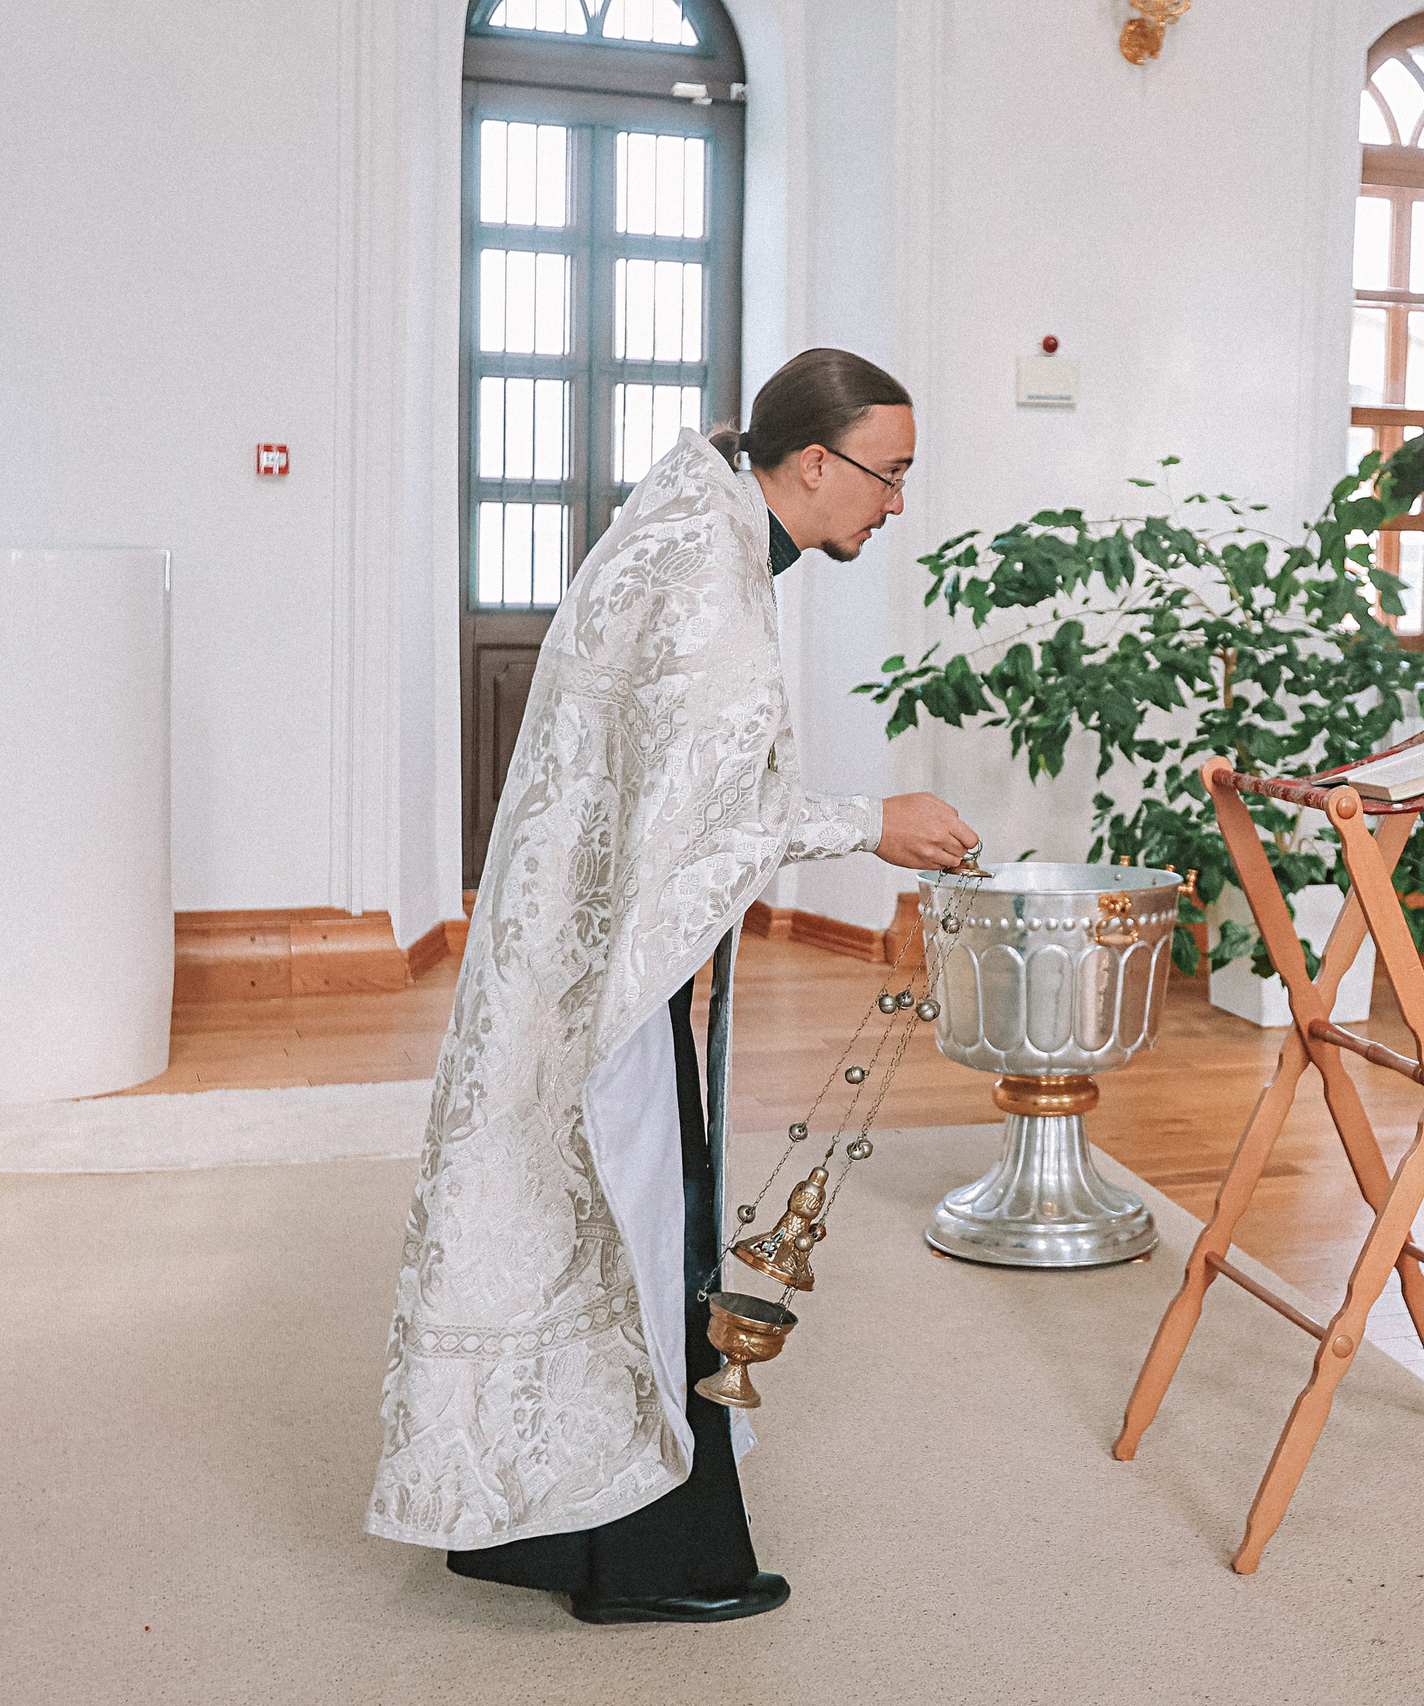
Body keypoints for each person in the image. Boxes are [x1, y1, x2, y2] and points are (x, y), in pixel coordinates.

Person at [365, 348, 977, 1624]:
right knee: (638, 1214)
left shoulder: (690, 509)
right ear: (816, 461)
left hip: (573, 938)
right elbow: (700, 820)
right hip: (611, 959)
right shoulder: (710, 573)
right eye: (890, 473)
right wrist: (875, 821)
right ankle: (644, 1564)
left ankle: (531, 1531)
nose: (896, 503)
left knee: (567, 1201)